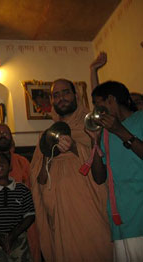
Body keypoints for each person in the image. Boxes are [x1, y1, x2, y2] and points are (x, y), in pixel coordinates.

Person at [30, 78, 112, 261]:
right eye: (56, 95)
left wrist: (74, 147)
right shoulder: (45, 137)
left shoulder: (92, 126)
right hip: (60, 216)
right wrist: (49, 155)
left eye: (65, 92)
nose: (61, 98)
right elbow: (40, 181)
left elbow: (101, 175)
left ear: (75, 95)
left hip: (91, 213)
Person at [89, 81, 143, 261]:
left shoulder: (141, 119)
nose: (97, 111)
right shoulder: (105, 132)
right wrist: (95, 141)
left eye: (99, 105)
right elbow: (98, 177)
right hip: (119, 221)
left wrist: (120, 131)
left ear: (111, 100)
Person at [0, 124, 40, 262]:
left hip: (23, 231)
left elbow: (32, 196)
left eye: (6, 132)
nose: (2, 135)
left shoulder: (22, 161)